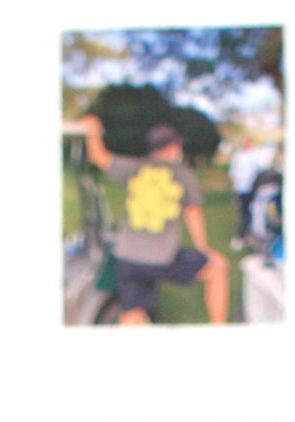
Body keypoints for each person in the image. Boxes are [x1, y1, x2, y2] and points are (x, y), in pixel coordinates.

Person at [81, 113, 229, 325]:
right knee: (218, 267)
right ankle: (219, 328)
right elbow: (193, 213)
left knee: (132, 314)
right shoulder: (183, 174)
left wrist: (92, 130)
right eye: (177, 145)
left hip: (127, 255)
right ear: (171, 148)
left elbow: (98, 156)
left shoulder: (133, 168)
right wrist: (203, 248)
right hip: (162, 258)